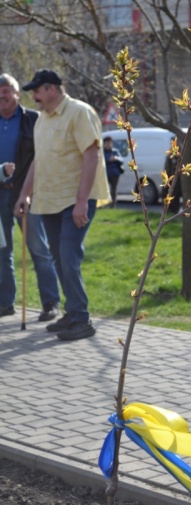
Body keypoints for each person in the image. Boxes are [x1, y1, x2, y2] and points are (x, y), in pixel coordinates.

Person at [15, 69, 110, 341]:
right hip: (48, 200)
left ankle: (81, 319)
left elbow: (91, 156)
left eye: (37, 91)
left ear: (52, 89)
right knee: (59, 260)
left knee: (69, 257)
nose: (34, 97)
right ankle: (72, 312)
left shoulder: (80, 113)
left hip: (75, 201)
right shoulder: (41, 120)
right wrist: (25, 194)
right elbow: (38, 160)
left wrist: (82, 202)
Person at [0, 73, 60, 320]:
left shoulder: (33, 120)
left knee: (38, 249)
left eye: (6, 91)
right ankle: (5, 303)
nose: (2, 96)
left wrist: (29, 191)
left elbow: (44, 157)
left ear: (16, 94)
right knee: (2, 252)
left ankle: (50, 303)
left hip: (26, 194)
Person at [103, 136, 124, 207]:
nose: (109, 144)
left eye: (110, 143)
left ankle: (112, 205)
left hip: (115, 173)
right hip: (106, 173)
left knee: (114, 190)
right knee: (105, 190)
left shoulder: (115, 151)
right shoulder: (102, 152)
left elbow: (122, 160)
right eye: (107, 143)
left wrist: (116, 158)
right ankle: (104, 204)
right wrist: (108, 160)